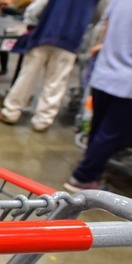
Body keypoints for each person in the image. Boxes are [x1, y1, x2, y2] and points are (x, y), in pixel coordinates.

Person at [0, 0, 99, 132]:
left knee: (27, 76)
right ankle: (43, 121)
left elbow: (36, 8)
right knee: (56, 82)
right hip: (71, 40)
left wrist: (31, 23)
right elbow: (98, 16)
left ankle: (10, 112)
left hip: (45, 34)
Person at [65, 0, 132, 191]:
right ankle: (83, 177)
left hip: (103, 74)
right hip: (127, 86)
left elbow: (104, 29)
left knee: (99, 130)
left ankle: (92, 169)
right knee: (111, 134)